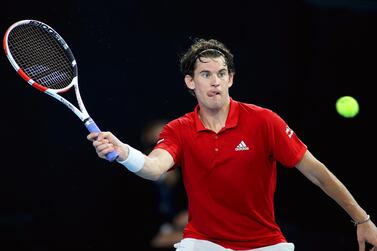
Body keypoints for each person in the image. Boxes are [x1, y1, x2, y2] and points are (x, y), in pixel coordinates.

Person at [87, 38, 377, 251]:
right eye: (205, 74)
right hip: (202, 244)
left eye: (221, 73)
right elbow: (153, 168)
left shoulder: (265, 121)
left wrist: (362, 219)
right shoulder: (179, 129)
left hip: (265, 243)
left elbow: (317, 172)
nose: (215, 81)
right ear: (190, 82)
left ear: (231, 79)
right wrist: (123, 152)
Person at [140, 119, 188, 249]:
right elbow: (155, 239)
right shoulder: (135, 184)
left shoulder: (188, 172)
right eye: (155, 145)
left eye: (168, 144)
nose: (162, 151)